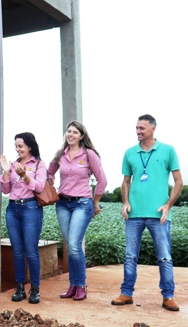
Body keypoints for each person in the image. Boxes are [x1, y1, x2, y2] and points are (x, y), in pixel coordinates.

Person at [112, 114, 183, 311]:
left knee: (164, 257)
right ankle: (126, 293)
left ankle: (168, 296)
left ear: (153, 129)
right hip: (133, 215)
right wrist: (125, 202)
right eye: (136, 128)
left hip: (159, 215)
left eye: (142, 128)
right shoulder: (130, 153)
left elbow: (179, 181)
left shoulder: (168, 150)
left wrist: (168, 205)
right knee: (130, 256)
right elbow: (126, 180)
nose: (138, 131)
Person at [47, 121, 107, 301]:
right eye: (68, 131)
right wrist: (50, 180)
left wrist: (95, 202)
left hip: (82, 203)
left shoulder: (89, 155)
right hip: (63, 203)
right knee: (70, 246)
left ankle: (81, 285)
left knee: (74, 245)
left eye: (75, 132)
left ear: (81, 136)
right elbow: (50, 171)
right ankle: (73, 285)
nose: (70, 134)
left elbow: (102, 180)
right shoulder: (61, 154)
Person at [0, 132, 47, 304]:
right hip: (12, 208)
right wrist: (5, 172)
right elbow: (5, 190)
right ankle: (20, 287)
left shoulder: (39, 164)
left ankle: (35, 288)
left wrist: (25, 175)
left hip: (30, 208)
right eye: (16, 146)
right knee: (17, 250)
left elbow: (40, 187)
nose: (17, 150)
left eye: (20, 146)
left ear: (30, 146)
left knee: (31, 251)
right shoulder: (13, 165)